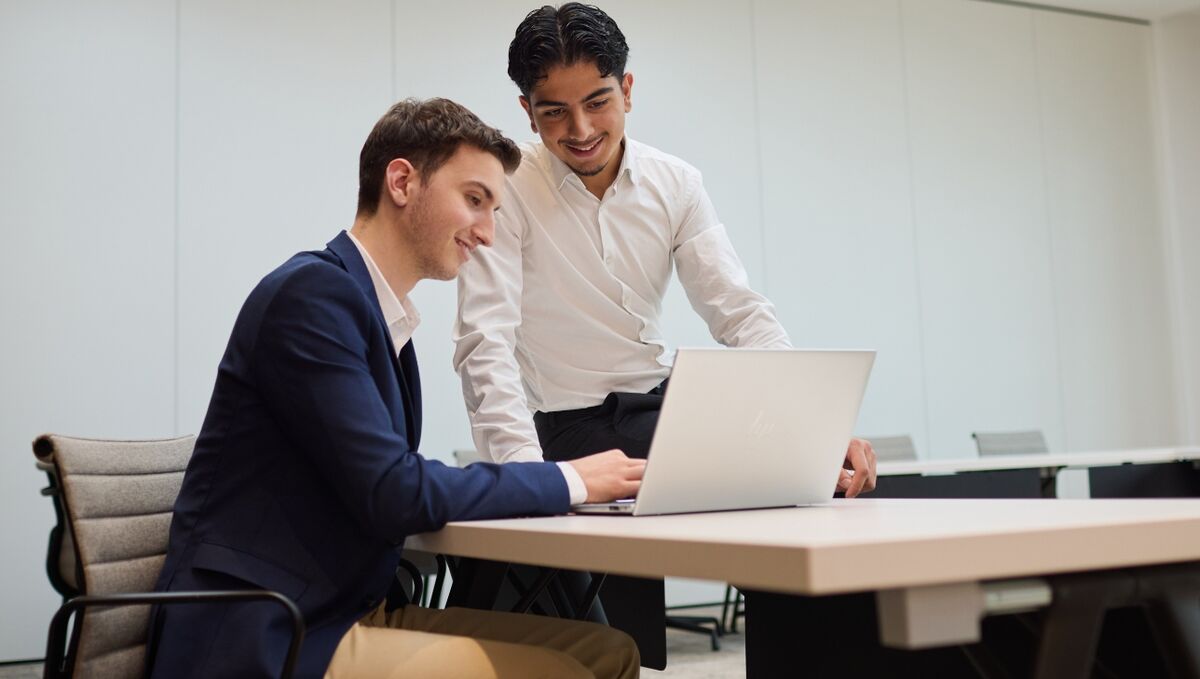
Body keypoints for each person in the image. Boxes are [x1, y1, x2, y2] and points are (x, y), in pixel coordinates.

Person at [146, 98, 644, 679]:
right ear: (402, 181)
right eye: (475, 200)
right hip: (273, 630)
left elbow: (386, 483)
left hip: (346, 608)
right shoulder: (310, 298)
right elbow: (393, 489)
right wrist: (570, 479)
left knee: (610, 652)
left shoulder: (379, 319)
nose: (488, 234)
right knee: (562, 673)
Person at [455, 2, 876, 501]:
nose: (581, 130)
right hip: (575, 428)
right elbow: (486, 341)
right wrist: (531, 479)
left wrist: (812, 430)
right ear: (528, 112)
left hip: (665, 408)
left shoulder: (676, 183)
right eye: (555, 112)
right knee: (782, 475)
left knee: (816, 467)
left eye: (597, 103)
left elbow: (739, 313)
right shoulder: (506, 187)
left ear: (627, 91)